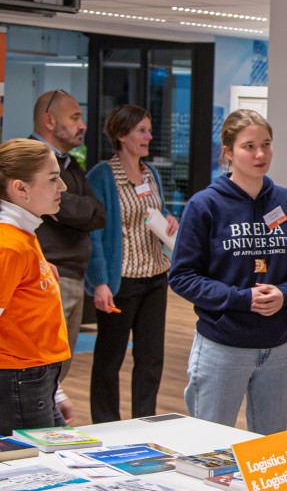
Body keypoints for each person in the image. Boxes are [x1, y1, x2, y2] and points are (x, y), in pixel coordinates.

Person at [169, 109, 287, 435]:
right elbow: (182, 276)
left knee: (271, 446)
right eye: (249, 146)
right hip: (223, 346)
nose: (260, 154)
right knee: (208, 445)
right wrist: (241, 299)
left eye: (266, 144)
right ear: (228, 152)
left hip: (278, 347)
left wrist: (284, 294)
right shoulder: (204, 205)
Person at [85, 104, 179, 423]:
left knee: (151, 358)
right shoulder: (101, 176)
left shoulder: (150, 173)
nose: (149, 136)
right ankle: (106, 424)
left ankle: (144, 421)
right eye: (142, 131)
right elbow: (94, 234)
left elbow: (155, 211)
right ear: (122, 135)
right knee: (109, 359)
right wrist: (100, 281)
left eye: (149, 130)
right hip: (120, 280)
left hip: (155, 276)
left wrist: (169, 218)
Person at [31, 90, 106, 425]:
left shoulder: (71, 164)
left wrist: (68, 208)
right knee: (40, 368)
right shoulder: (28, 160)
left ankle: (48, 428)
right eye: (75, 117)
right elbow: (75, 209)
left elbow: (97, 214)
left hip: (74, 276)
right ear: (49, 120)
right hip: (46, 277)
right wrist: (75, 209)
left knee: (59, 370)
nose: (83, 125)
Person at [0, 138, 69, 435]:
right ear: (21, 188)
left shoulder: (24, 235)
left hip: (35, 379)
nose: (62, 187)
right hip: (18, 380)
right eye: (52, 179)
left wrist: (57, 391)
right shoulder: (9, 245)